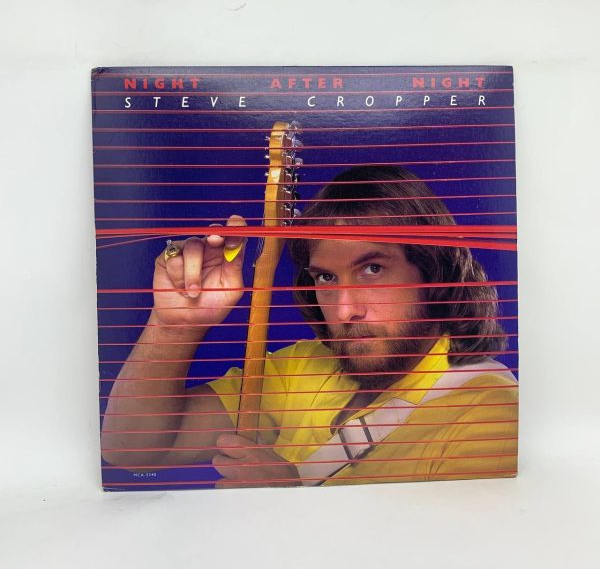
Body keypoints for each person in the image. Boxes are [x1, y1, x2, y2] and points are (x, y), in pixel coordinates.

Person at [101, 166, 518, 488]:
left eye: (373, 269)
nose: (345, 310)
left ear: (434, 272)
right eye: (327, 278)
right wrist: (173, 327)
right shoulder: (304, 367)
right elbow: (134, 448)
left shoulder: (489, 414)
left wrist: (296, 508)